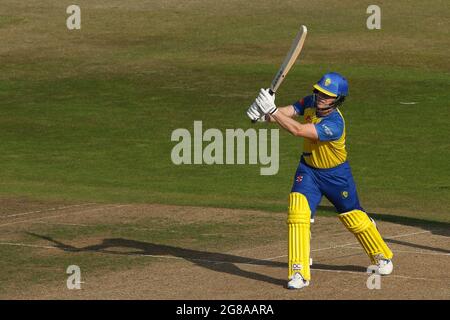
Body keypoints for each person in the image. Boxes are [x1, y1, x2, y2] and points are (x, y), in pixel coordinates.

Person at [246, 72, 393, 289]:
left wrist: (272, 111)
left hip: (336, 175)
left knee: (353, 218)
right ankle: (299, 272)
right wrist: (263, 116)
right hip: (309, 171)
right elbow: (289, 113)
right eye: (320, 91)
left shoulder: (335, 124)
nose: (321, 97)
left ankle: (381, 255)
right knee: (297, 214)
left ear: (338, 99)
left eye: (328, 95)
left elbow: (298, 130)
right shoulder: (310, 101)